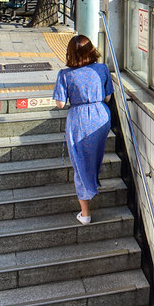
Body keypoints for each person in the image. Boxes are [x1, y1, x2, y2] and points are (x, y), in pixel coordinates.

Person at [51, 35, 113, 225]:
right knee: (93, 157)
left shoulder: (65, 75)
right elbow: (108, 98)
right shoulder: (102, 69)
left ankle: (85, 213)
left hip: (79, 119)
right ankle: (93, 184)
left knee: (80, 162)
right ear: (92, 51)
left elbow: (60, 104)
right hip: (101, 115)